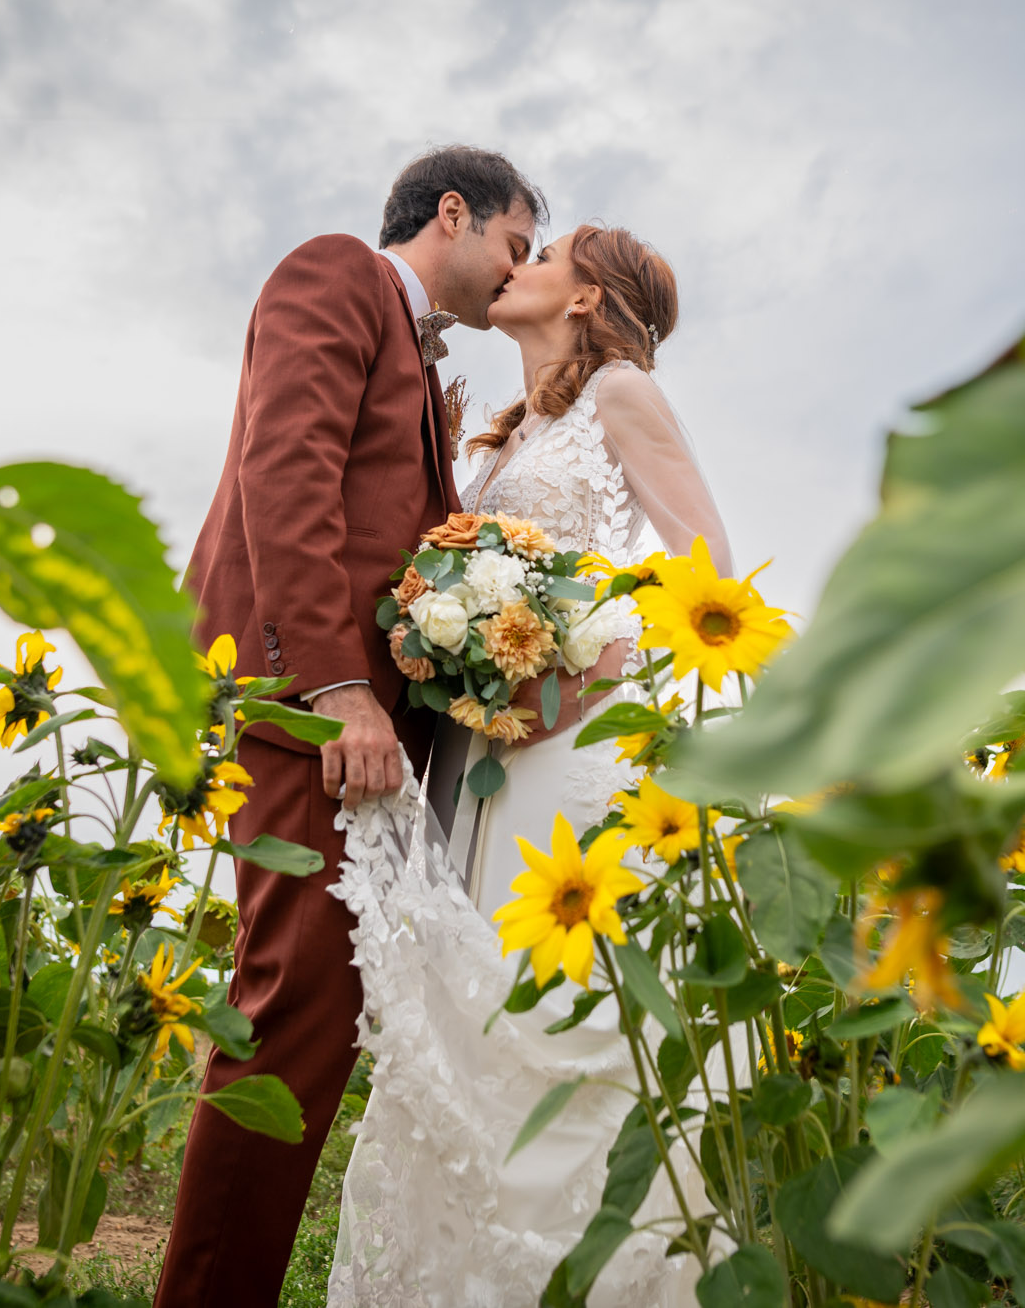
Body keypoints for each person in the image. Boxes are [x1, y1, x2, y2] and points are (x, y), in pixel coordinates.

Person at [155, 146, 544, 1308]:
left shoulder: (428, 373)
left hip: (363, 731)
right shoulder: (331, 273)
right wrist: (332, 688)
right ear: (452, 212)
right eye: (513, 246)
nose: (512, 272)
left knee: (317, 1023)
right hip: (300, 711)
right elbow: (286, 475)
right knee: (289, 1012)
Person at [327, 223, 733, 1306]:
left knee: (564, 1015)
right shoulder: (502, 440)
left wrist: (583, 671)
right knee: (477, 1011)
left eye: (543, 254)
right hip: (482, 748)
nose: (517, 264)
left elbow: (703, 569)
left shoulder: (621, 397)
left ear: (588, 298)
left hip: (570, 745)